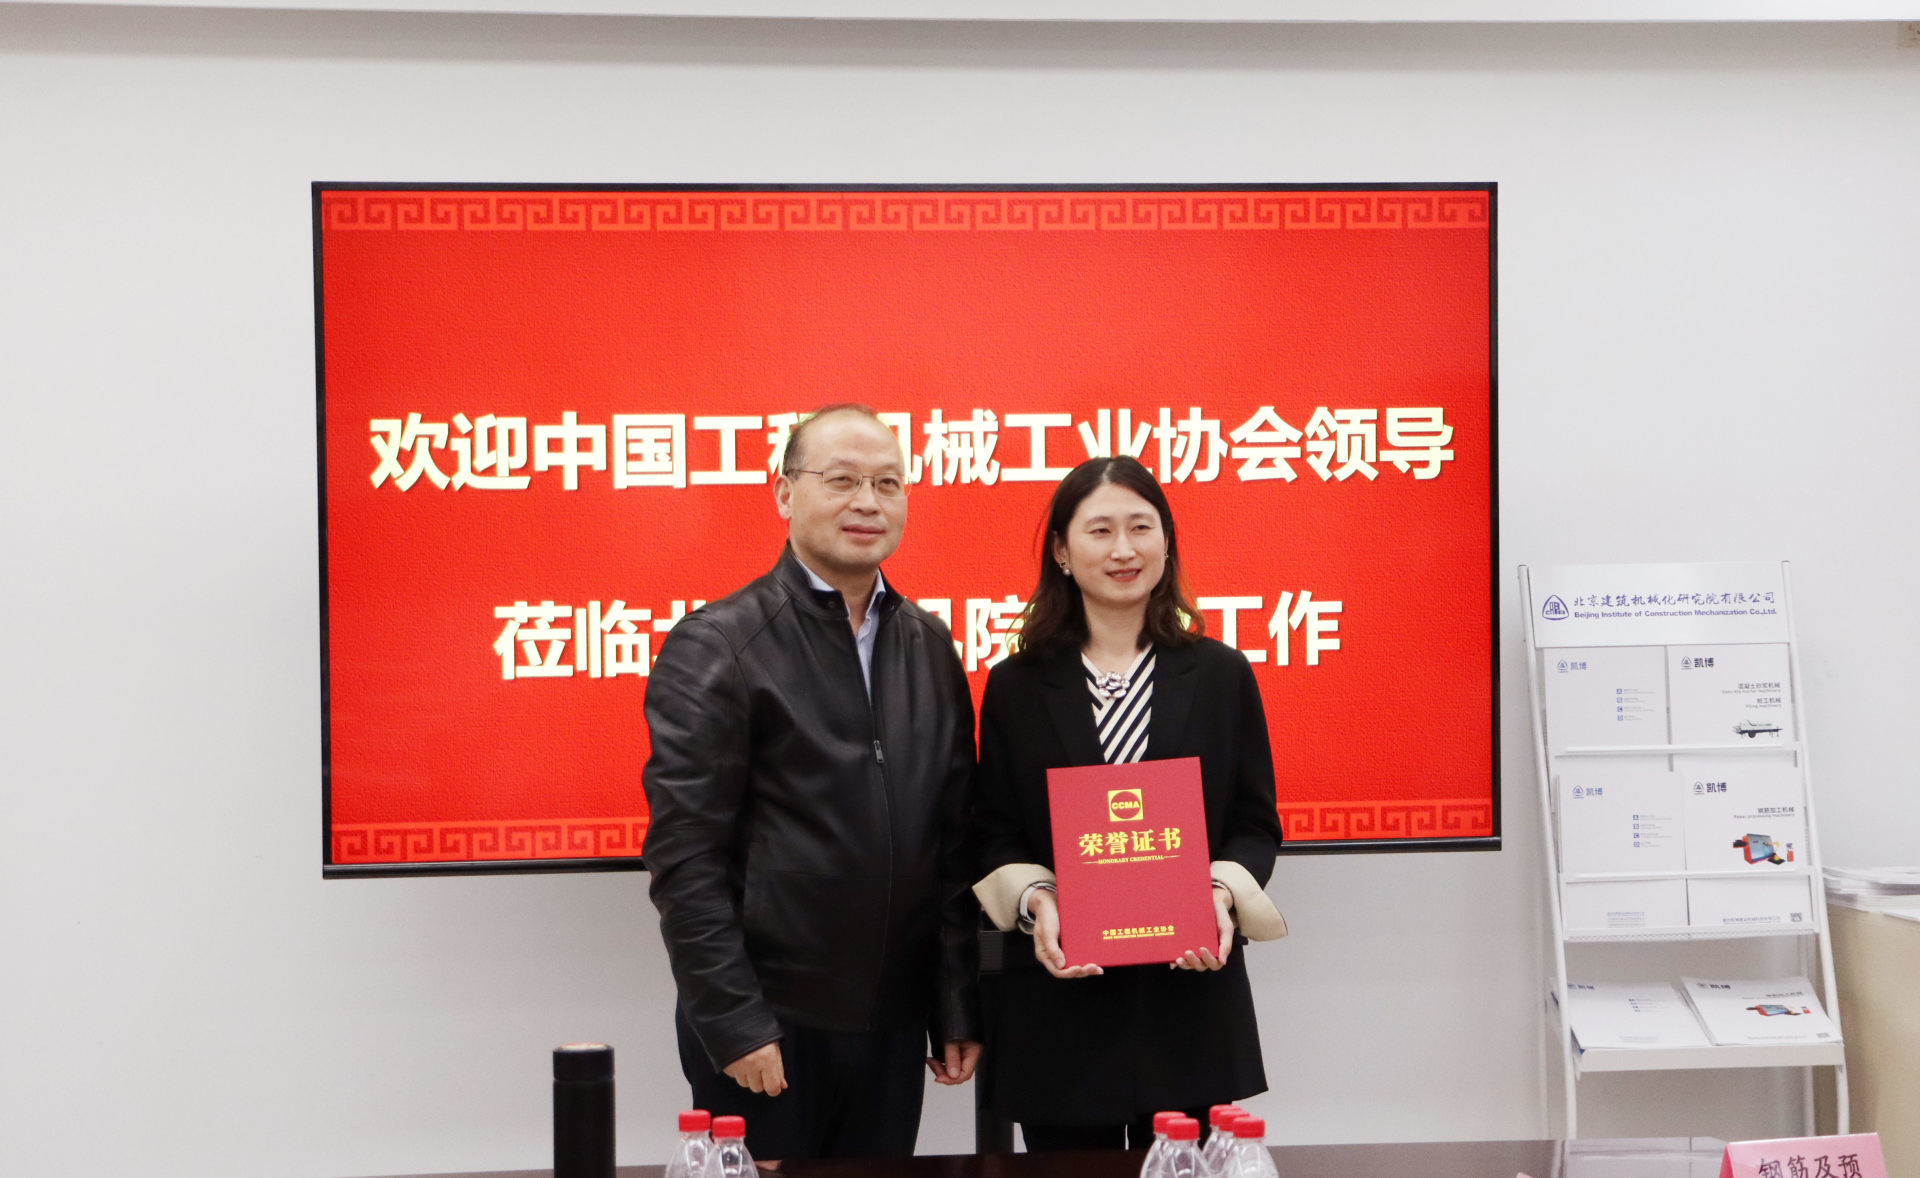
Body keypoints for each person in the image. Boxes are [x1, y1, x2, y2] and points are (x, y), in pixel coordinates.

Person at [642, 404, 981, 1160]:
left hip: (893, 1029)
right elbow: (685, 860)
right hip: (770, 1026)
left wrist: (955, 1003)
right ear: (784, 492)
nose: (868, 502)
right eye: (842, 480)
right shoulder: (720, 645)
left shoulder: (929, 647)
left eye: (888, 483)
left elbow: (952, 848)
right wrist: (735, 1022)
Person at [971, 455, 1287, 1150]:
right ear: (1061, 550)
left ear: (1166, 543)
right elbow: (993, 830)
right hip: (1059, 1002)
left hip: (1190, 998)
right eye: (1100, 530)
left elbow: (1254, 824)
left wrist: (1218, 896)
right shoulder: (1016, 685)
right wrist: (1038, 902)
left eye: (1141, 527)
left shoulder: (1221, 674)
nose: (1124, 549)